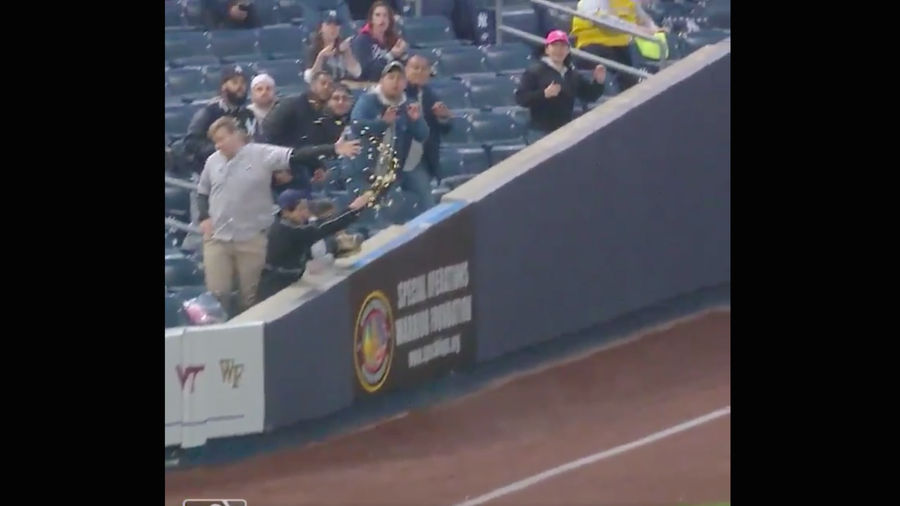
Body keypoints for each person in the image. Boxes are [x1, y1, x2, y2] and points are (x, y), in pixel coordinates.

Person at [197, 116, 361, 313]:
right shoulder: (212, 161)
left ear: (235, 135)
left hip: (252, 238)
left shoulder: (261, 153)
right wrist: (204, 216)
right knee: (216, 294)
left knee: (251, 297)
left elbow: (297, 155)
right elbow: (202, 192)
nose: (218, 145)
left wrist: (332, 149)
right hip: (217, 237)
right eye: (215, 141)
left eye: (221, 139)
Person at [256, 189, 371, 303]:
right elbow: (320, 228)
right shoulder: (285, 230)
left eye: (306, 208)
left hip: (291, 282)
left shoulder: (290, 224)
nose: (305, 213)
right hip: (274, 291)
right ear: (286, 212)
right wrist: (352, 210)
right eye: (300, 209)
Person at [343, 61, 429, 210]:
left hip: (394, 171)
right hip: (364, 170)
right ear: (382, 81)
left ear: (405, 84)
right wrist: (382, 123)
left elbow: (422, 135)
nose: (395, 82)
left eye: (399, 78)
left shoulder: (408, 105)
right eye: (391, 77)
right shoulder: (368, 101)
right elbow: (357, 126)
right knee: (367, 208)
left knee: (423, 193)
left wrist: (416, 121)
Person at [515, 30, 607, 133]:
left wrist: (598, 82)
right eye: (555, 45)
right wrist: (544, 94)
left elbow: (589, 95)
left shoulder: (572, 73)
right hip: (541, 131)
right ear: (547, 49)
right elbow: (521, 98)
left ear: (568, 50)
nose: (559, 50)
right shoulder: (535, 71)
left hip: (565, 131)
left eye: (563, 46)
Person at [180, 65, 258, 174]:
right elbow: (191, 143)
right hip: (211, 171)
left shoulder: (249, 115)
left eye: (243, 83)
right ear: (223, 87)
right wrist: (221, 147)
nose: (240, 87)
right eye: (235, 82)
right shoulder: (209, 112)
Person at [571, 0, 662, 91]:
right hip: (593, 49)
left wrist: (655, 30)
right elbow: (604, 23)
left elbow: (645, 20)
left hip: (621, 48)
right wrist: (636, 29)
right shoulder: (590, 2)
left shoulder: (629, 2)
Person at [403, 54, 452, 210]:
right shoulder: (398, 95)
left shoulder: (431, 95)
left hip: (427, 157)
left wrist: (444, 118)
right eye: (415, 68)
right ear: (405, 70)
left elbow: (445, 129)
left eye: (424, 69)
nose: (419, 72)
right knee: (426, 200)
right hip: (404, 158)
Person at [351, 1, 409, 82]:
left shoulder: (394, 39)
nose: (382, 19)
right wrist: (391, 55)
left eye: (385, 16)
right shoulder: (362, 40)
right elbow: (367, 73)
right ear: (371, 19)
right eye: (377, 15)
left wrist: (403, 55)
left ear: (390, 20)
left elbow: (402, 68)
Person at [304, 11, 362, 84]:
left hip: (343, 89)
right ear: (321, 28)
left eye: (336, 24)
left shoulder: (344, 45)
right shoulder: (312, 48)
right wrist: (320, 57)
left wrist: (348, 52)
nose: (333, 28)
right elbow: (309, 79)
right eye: (329, 24)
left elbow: (357, 73)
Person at [248, 73, 277, 140]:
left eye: (268, 89)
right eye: (259, 89)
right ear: (252, 93)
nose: (264, 92)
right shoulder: (245, 114)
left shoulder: (284, 111)